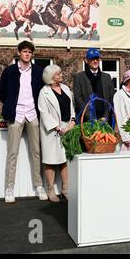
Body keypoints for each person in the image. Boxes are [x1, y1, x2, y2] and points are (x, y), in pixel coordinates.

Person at [0, 40, 48, 204]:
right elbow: (2, 94)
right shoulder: (9, 71)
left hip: (33, 114)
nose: (27, 54)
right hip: (16, 114)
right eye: (25, 51)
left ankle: (39, 186)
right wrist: (11, 105)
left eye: (30, 52)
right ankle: (9, 188)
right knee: (12, 153)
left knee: (36, 152)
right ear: (19, 53)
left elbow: (42, 93)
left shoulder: (38, 71)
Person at [38, 65, 76, 202]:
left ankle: (65, 189)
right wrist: (57, 128)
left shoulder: (66, 88)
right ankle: (50, 190)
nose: (61, 75)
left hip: (67, 128)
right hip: (53, 131)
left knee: (64, 159)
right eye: (58, 74)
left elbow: (72, 107)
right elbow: (44, 113)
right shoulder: (44, 92)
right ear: (51, 77)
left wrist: (72, 121)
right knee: (50, 160)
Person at [73, 48, 115, 121]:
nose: (95, 61)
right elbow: (78, 99)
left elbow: (111, 98)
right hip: (87, 121)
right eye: (92, 59)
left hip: (105, 120)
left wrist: (106, 116)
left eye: (97, 59)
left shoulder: (107, 77)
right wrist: (90, 117)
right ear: (86, 60)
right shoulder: (79, 77)